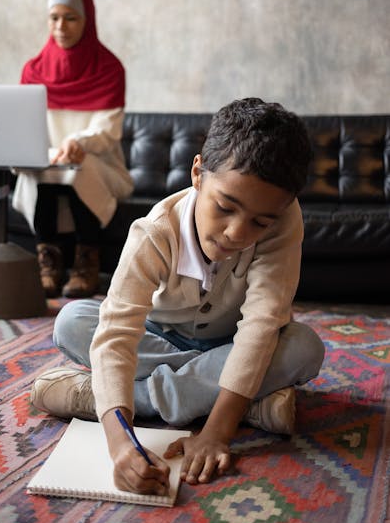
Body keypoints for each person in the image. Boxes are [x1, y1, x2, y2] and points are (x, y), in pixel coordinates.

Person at [30, 98, 325, 495]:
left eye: (259, 222)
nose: (237, 233)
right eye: (225, 207)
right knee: (72, 321)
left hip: (230, 343)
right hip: (160, 338)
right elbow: (119, 331)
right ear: (198, 173)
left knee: (304, 348)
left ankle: (102, 396)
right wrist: (120, 445)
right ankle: (248, 401)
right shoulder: (154, 232)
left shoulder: (285, 221)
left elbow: (260, 326)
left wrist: (216, 434)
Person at [13, 0, 133, 298]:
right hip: (50, 163)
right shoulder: (33, 70)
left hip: (99, 164)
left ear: (87, 19)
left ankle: (86, 264)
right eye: (54, 17)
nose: (60, 27)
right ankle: (48, 264)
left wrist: (79, 142)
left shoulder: (109, 68)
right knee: (45, 166)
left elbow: (107, 132)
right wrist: (44, 151)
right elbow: (25, 125)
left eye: (71, 18)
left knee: (78, 164)